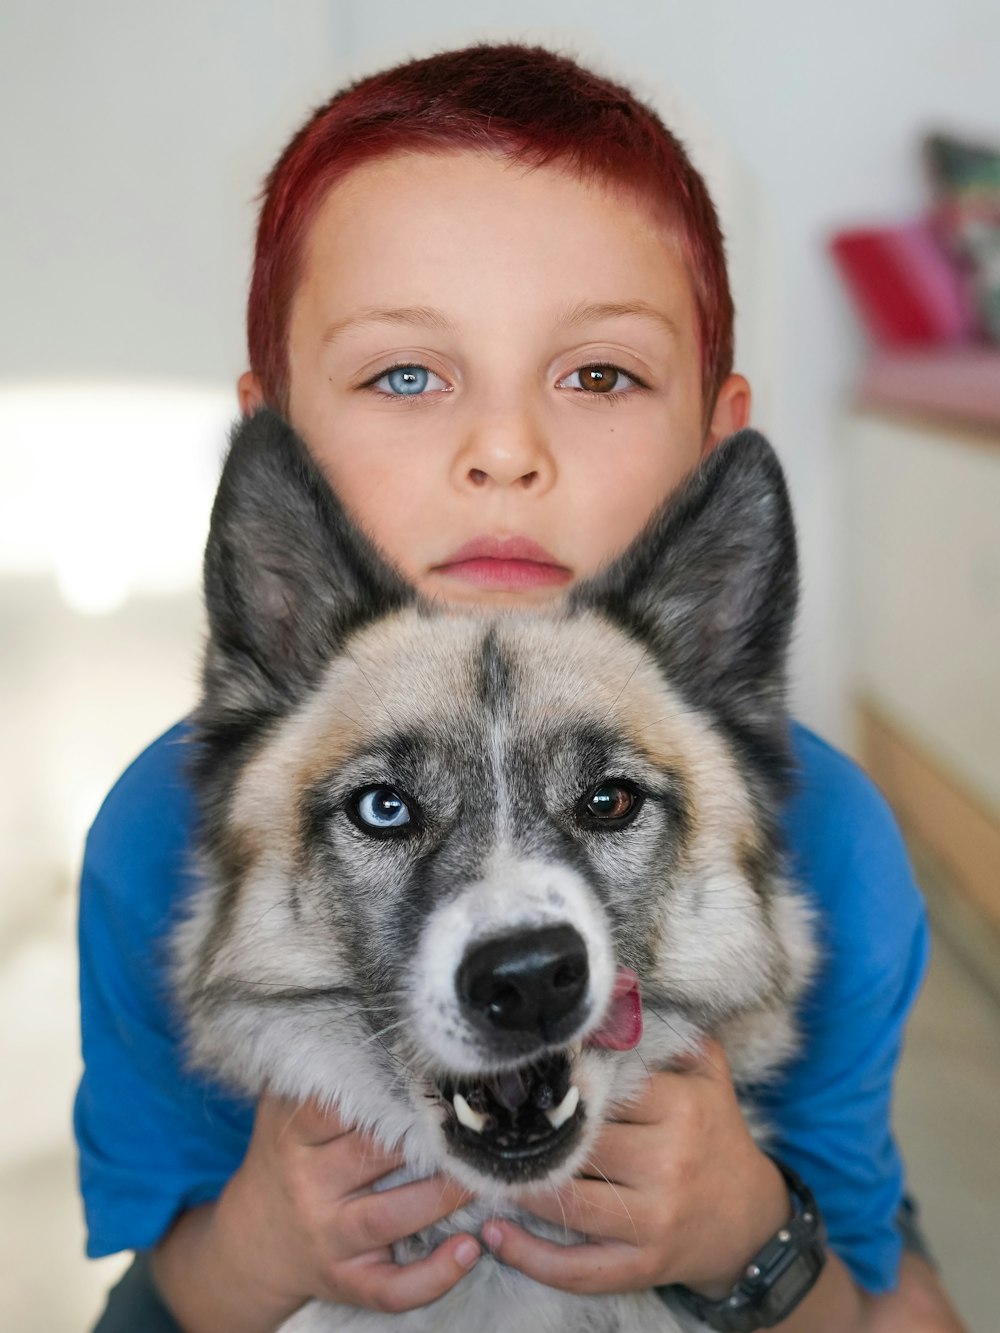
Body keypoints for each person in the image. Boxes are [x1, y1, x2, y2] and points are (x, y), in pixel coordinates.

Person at [76, 41, 967, 1333]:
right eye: (405, 374)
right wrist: (266, 1236)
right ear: (279, 446)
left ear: (715, 445)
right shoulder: (156, 832)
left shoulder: (834, 837)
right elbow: (175, 1299)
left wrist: (747, 1234)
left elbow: (883, 1311)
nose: (505, 451)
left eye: (599, 374)